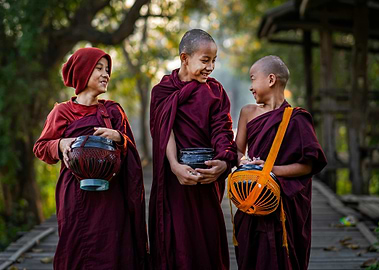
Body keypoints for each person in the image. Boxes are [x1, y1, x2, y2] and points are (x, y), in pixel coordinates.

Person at [33, 47, 148, 269]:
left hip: (111, 197)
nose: (106, 74)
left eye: (108, 70)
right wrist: (60, 144)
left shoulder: (113, 112)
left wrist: (119, 137)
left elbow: (130, 151)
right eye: (99, 68)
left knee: (113, 250)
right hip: (75, 197)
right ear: (83, 71)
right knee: (77, 250)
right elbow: (40, 148)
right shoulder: (62, 112)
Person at [149, 29, 237, 270]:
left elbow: (223, 129)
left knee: (207, 239)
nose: (210, 67)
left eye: (214, 61)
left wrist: (223, 162)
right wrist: (176, 167)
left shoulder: (215, 91)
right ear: (185, 59)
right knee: (177, 239)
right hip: (174, 178)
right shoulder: (163, 91)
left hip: (206, 176)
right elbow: (163, 131)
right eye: (205, 60)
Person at [234, 55, 327, 270]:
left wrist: (270, 170)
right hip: (253, 195)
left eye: (253, 79)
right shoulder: (248, 113)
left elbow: (309, 165)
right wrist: (246, 163)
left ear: (271, 79)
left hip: (284, 203)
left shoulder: (297, 118)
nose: (250, 87)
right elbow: (238, 150)